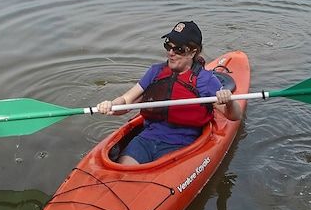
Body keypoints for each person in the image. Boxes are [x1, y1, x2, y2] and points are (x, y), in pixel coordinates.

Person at [97, 21, 242, 165]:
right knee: (124, 167)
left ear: (193, 52)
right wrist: (111, 105)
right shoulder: (156, 72)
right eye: (168, 46)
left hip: (182, 145)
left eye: (179, 49)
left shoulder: (205, 80)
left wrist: (229, 100)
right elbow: (126, 100)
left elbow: (234, 115)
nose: (171, 53)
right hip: (147, 139)